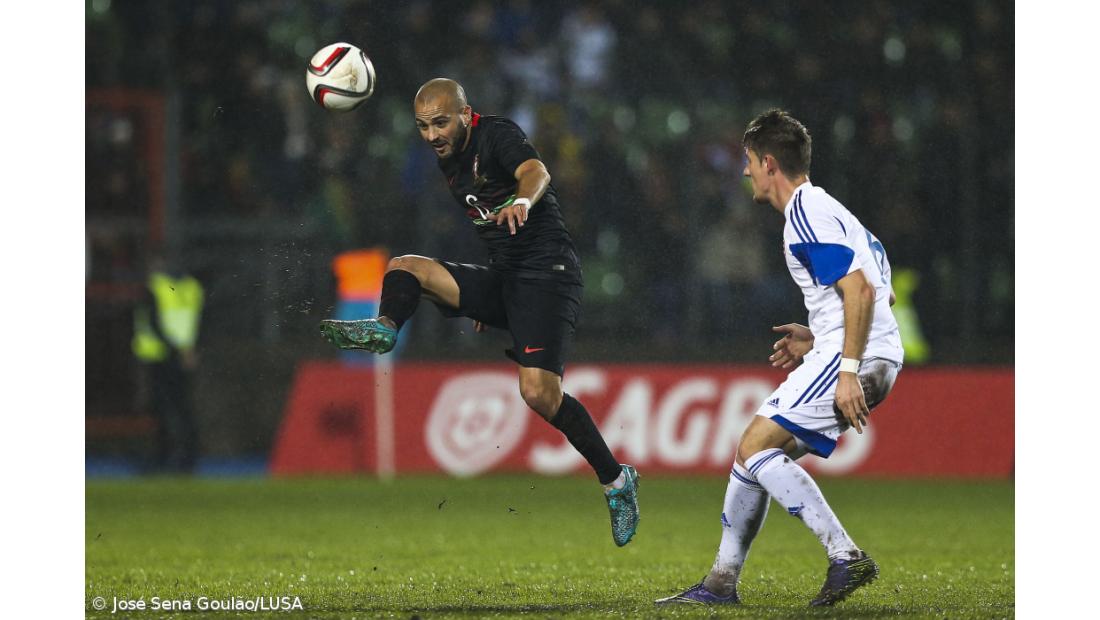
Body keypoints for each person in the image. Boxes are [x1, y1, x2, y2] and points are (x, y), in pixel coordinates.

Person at [319, 78, 640, 546]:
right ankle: (386, 328)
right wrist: (483, 299)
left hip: (549, 277)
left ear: (465, 114)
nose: (432, 135)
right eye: (423, 126)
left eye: (440, 122)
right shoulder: (449, 159)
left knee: (538, 393)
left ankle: (617, 481)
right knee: (405, 268)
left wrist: (522, 201)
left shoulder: (496, 134)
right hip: (505, 279)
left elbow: (536, 173)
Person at [657, 110, 904, 607]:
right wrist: (816, 338)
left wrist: (848, 369)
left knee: (754, 446)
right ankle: (720, 584)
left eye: (749, 161)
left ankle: (844, 555)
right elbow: (880, 294)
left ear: (769, 163)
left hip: (855, 359)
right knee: (752, 457)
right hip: (856, 350)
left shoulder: (805, 214)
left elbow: (859, 292)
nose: (745, 171)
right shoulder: (827, 209)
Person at [131, 253, 204, 473]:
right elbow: (200, 320)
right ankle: (186, 458)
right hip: (184, 356)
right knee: (182, 408)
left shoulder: (156, 288)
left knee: (165, 409)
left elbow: (155, 323)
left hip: (162, 356)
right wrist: (190, 349)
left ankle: (164, 458)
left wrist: (176, 350)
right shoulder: (192, 288)